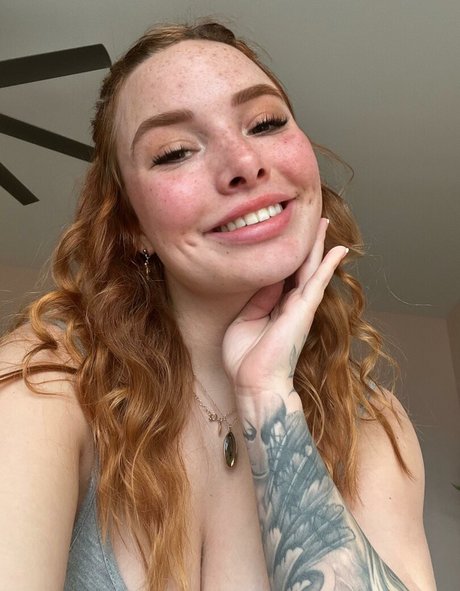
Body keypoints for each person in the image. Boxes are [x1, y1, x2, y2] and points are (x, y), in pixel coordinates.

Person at [0, 20, 436, 591]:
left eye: (265, 122)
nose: (244, 162)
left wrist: (267, 399)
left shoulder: (373, 425)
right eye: (175, 152)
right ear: (132, 226)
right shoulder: (42, 380)